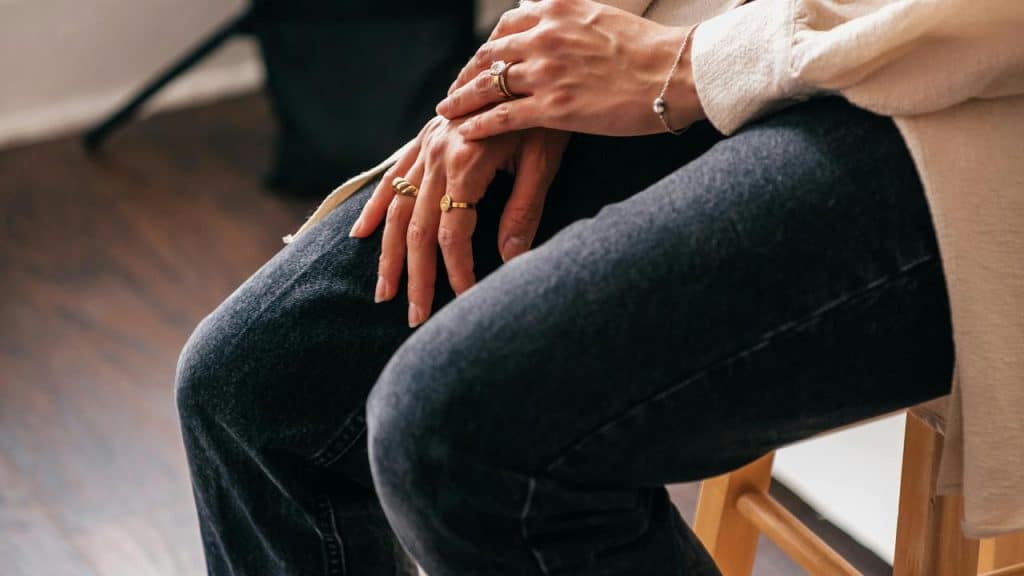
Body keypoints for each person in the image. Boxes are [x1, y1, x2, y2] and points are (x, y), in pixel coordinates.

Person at [175, 0, 1024, 573]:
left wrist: (695, 64)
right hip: (737, 23)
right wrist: (527, 61)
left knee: (466, 430)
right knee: (253, 389)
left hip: (969, 99)